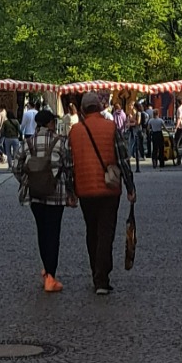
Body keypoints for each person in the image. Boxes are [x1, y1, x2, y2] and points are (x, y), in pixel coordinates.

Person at [69, 90, 136, 295]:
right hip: (109, 189)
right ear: (99, 108)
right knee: (106, 232)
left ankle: (96, 273)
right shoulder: (111, 127)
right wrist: (130, 187)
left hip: (84, 189)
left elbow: (69, 164)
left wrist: (71, 191)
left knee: (92, 231)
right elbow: (123, 158)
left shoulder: (75, 131)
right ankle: (102, 279)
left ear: (82, 110)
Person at [14, 106, 75, 291]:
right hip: (56, 194)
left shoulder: (28, 142)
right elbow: (69, 167)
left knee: (42, 231)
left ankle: (47, 269)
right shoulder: (61, 142)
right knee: (53, 233)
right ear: (50, 123)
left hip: (35, 195)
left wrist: (27, 181)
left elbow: (16, 166)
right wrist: (71, 192)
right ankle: (50, 276)